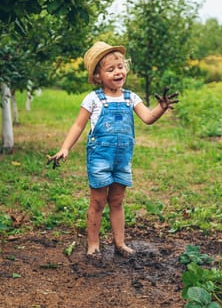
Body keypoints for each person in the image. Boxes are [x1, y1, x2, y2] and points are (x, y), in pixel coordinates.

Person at [47, 41, 179, 258]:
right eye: (111, 69)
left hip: (122, 160)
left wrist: (161, 108)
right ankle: (93, 244)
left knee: (117, 201)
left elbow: (147, 118)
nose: (118, 72)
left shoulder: (131, 97)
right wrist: (65, 148)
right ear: (98, 76)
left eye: (120, 67)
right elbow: (78, 125)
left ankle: (120, 243)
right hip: (100, 158)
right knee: (98, 202)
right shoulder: (93, 99)